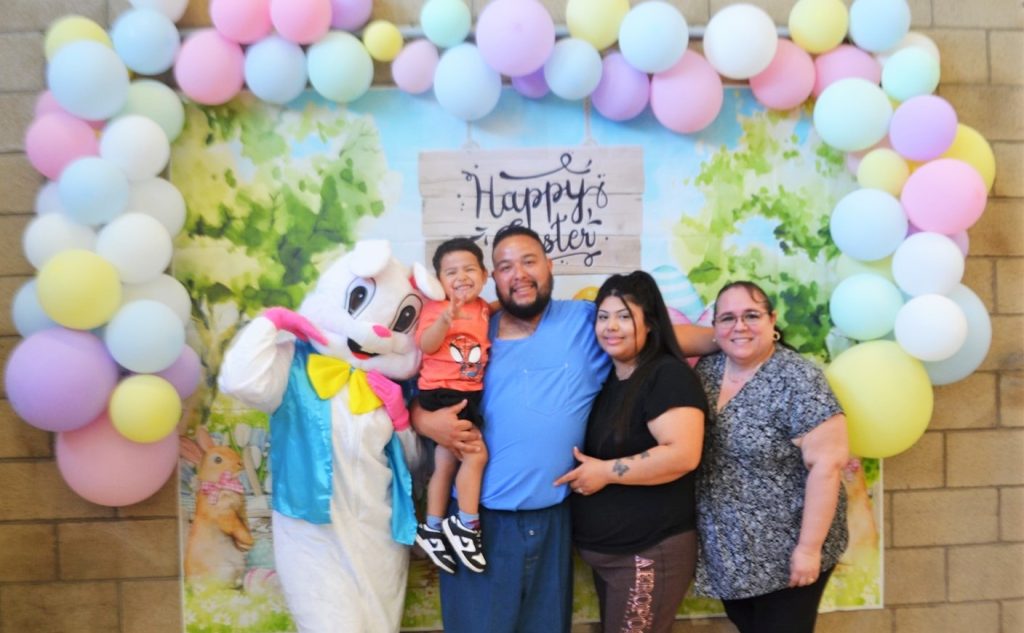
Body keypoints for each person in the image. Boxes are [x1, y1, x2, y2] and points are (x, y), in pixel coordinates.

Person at [411, 225, 717, 633]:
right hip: (478, 521)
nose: (518, 273)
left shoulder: (585, 322)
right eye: (505, 266)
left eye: (528, 261)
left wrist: (734, 336)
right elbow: (425, 387)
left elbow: (660, 336)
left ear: (549, 266)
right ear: (492, 278)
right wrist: (424, 419)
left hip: (554, 519)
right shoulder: (472, 326)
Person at [554, 271, 707, 633]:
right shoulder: (610, 378)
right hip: (611, 555)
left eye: (624, 317)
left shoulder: (667, 376)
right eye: (603, 317)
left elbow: (683, 454)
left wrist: (605, 472)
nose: (611, 327)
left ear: (650, 323)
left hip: (647, 552)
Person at [694, 281, 849, 633]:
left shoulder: (799, 379)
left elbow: (828, 465)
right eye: (728, 318)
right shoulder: (708, 371)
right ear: (714, 327)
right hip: (731, 553)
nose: (740, 326)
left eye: (751, 315)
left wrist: (809, 550)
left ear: (772, 321)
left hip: (789, 551)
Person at [414, 238, 491, 575]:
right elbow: (426, 346)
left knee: (445, 461)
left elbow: (498, 307)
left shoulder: (485, 307)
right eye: (451, 272)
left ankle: (432, 527)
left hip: (466, 393)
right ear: (440, 281)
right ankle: (465, 524)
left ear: (485, 275)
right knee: (476, 455)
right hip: (443, 393)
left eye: (469, 269)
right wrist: (445, 320)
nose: (461, 277)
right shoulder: (435, 308)